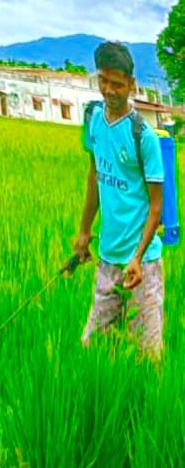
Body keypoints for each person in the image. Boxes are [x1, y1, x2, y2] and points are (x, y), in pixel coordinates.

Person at [75, 41, 165, 358]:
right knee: (93, 347)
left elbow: (157, 206)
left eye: (116, 83)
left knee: (148, 353)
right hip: (108, 257)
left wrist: (138, 257)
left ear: (131, 84)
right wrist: (84, 232)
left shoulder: (144, 136)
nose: (109, 90)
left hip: (143, 262)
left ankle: (152, 406)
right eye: (103, 80)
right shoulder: (93, 120)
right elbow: (95, 176)